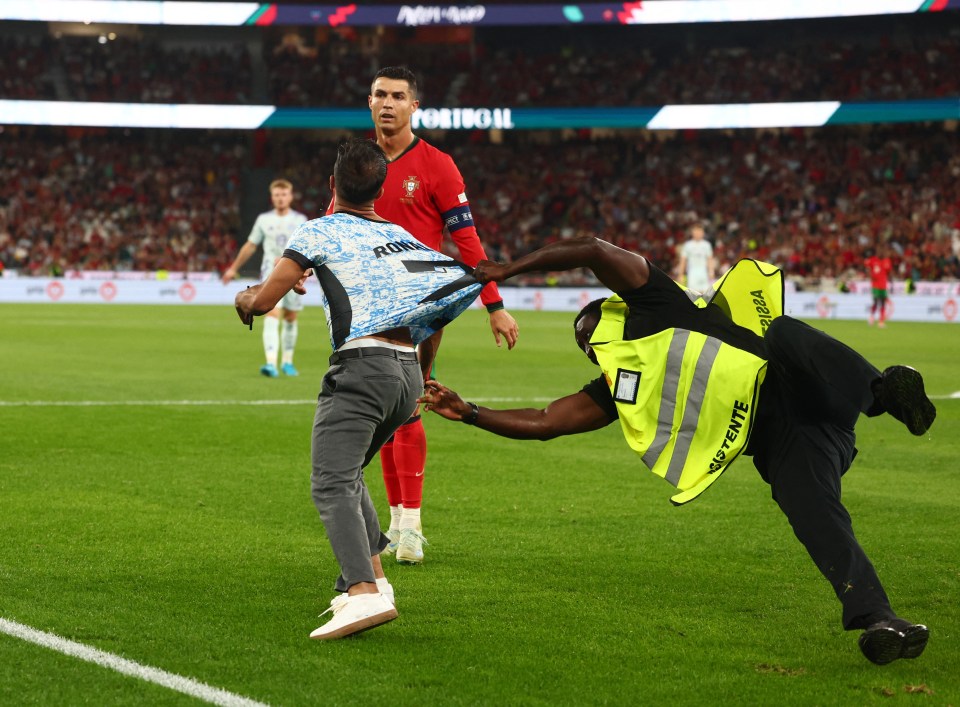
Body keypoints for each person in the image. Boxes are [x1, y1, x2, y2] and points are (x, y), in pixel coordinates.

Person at [419, 235, 937, 665]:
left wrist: (509, 269)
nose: (586, 339)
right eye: (583, 343)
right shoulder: (618, 384)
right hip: (786, 445)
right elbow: (547, 421)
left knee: (782, 332)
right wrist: (470, 414)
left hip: (800, 387)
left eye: (588, 327)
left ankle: (882, 394)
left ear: (611, 307)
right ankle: (881, 620)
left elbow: (592, 250)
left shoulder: (657, 302)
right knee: (816, 519)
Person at [235, 139, 481, 640]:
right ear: (382, 188)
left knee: (329, 481)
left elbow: (263, 302)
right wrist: (422, 376)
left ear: (332, 185)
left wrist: (244, 296)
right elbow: (438, 310)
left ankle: (363, 594)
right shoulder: (405, 237)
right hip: (407, 372)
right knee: (349, 475)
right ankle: (376, 578)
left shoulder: (319, 228)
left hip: (361, 370)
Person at [328, 66, 520, 565]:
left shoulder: (437, 165)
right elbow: (336, 218)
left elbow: (468, 242)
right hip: (365, 305)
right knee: (382, 412)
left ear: (415, 106)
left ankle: (410, 525)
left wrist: (493, 305)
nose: (387, 104)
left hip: (418, 307)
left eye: (397, 96)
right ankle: (395, 521)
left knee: (409, 404)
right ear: (368, 102)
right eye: (379, 95)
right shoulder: (360, 163)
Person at [223, 179, 308, 377]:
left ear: (290, 196)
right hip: (269, 274)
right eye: (277, 195)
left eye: (284, 194)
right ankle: (271, 363)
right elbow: (251, 245)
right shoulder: (263, 219)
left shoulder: (300, 219)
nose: (280, 198)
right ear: (272, 198)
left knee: (290, 316)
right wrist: (233, 268)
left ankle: (287, 362)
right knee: (272, 313)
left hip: (294, 275)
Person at [676, 222, 715, 293]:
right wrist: (680, 274)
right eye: (696, 231)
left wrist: (711, 271)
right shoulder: (687, 245)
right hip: (692, 274)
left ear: (703, 232)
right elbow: (683, 261)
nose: (698, 233)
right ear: (692, 232)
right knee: (693, 295)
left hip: (703, 274)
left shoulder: (707, 245)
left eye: (700, 231)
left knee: (705, 295)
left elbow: (710, 259)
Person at [865, 245, 894, 328]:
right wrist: (870, 275)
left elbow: (890, 272)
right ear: (877, 252)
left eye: (882, 251)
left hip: (883, 286)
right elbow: (867, 267)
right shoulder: (873, 260)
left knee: (883, 303)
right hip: (875, 285)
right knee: (876, 301)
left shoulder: (887, 261)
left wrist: (891, 284)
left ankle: (881, 322)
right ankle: (871, 317)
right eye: (879, 251)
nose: (881, 253)